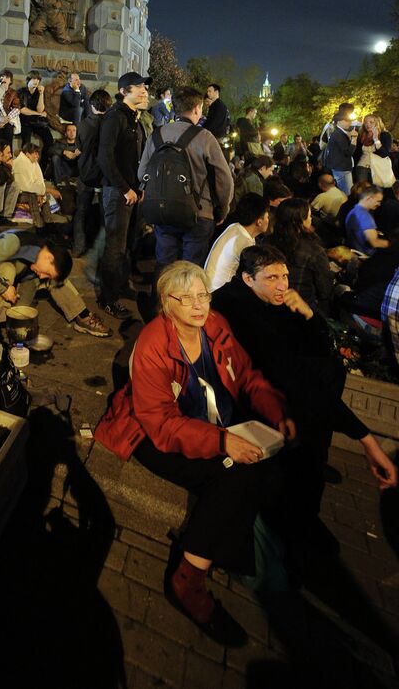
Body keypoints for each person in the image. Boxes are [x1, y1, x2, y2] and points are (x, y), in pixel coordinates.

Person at [95, 261, 294, 646]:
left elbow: (248, 375)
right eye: (185, 299)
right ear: (166, 304)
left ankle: (241, 551)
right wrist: (222, 443)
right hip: (157, 436)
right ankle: (188, 579)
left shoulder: (215, 324)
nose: (198, 305)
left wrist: (276, 411)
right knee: (235, 472)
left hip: (216, 425)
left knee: (266, 461)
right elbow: (160, 423)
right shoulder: (153, 343)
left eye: (202, 295)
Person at [212, 246, 397, 553]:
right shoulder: (237, 306)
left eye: (285, 276)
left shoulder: (275, 300)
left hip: (283, 385)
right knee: (306, 429)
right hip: (247, 395)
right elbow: (288, 370)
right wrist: (366, 439)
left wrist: (309, 314)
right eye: (272, 277)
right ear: (247, 279)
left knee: (327, 375)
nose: (283, 285)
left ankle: (302, 509)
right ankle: (295, 525)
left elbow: (322, 347)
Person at [139, 86, 234, 271]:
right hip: (199, 213)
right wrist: (223, 208)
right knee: (191, 269)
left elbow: (142, 173)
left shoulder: (156, 135)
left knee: (164, 266)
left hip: (163, 211)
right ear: (197, 108)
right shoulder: (205, 137)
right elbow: (224, 178)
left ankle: (161, 299)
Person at [0, 232, 110, 337]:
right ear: (48, 257)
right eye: (46, 272)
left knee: (56, 278)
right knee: (8, 268)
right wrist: (3, 288)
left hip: (15, 286)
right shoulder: (16, 242)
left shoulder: (44, 251)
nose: (43, 276)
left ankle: (83, 316)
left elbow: (46, 275)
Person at [97, 72, 150, 320]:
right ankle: (108, 299)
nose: (145, 91)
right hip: (118, 194)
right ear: (124, 91)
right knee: (114, 248)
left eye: (145, 88)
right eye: (139, 87)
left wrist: (140, 188)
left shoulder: (135, 119)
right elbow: (105, 159)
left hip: (132, 194)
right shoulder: (115, 117)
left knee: (126, 246)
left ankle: (120, 286)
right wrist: (125, 188)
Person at [267, 197, 335, 316]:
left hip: (269, 302)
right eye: (309, 216)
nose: (311, 218)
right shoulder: (314, 251)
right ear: (300, 221)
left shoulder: (266, 242)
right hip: (302, 307)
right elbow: (325, 290)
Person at [73, 87, 113, 257]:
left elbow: (79, 147)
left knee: (81, 212)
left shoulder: (83, 125)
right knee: (106, 216)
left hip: (86, 173)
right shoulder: (112, 125)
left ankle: (78, 247)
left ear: (91, 105)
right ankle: (103, 249)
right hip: (105, 176)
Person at [204, 193, 269, 290]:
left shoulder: (235, 227)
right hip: (218, 294)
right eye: (267, 217)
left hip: (208, 287)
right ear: (259, 221)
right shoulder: (245, 242)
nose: (269, 220)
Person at [11, 142, 55, 228]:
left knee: (43, 195)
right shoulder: (20, 163)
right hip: (19, 194)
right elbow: (24, 186)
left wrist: (40, 193)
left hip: (32, 190)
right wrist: (39, 191)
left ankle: (49, 222)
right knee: (32, 196)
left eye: (38, 153)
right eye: (35, 154)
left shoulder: (32, 161)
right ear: (27, 154)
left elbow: (39, 180)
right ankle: (38, 225)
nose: (37, 156)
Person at [345, 184, 390, 257]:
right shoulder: (364, 216)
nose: (379, 204)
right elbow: (374, 242)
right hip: (368, 256)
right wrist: (393, 244)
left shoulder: (354, 210)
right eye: (378, 201)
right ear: (369, 198)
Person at [321, 104, 357, 194]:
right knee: (347, 193)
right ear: (338, 121)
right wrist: (354, 139)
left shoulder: (340, 132)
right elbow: (348, 152)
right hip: (341, 168)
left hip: (339, 167)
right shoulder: (337, 134)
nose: (349, 123)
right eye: (346, 120)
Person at [17, 71, 53, 155]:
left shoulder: (38, 92)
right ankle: (25, 165)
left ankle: (42, 165)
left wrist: (41, 94)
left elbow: (40, 109)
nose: (36, 81)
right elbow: (22, 110)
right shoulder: (21, 92)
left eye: (38, 79)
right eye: (33, 79)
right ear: (28, 80)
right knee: (26, 144)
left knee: (49, 140)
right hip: (25, 122)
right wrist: (38, 114)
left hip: (37, 122)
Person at [354, 114, 393, 186]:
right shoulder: (361, 135)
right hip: (362, 167)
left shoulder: (385, 135)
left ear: (377, 123)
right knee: (362, 190)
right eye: (365, 122)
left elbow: (385, 154)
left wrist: (376, 140)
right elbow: (356, 153)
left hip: (378, 168)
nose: (368, 124)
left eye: (371, 122)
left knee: (378, 191)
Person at [0, 69, 20, 152]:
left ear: (10, 80)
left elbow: (17, 108)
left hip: (8, 121)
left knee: (8, 145)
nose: (4, 78)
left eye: (7, 77)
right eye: (2, 76)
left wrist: (5, 119)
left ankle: (7, 163)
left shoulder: (13, 92)